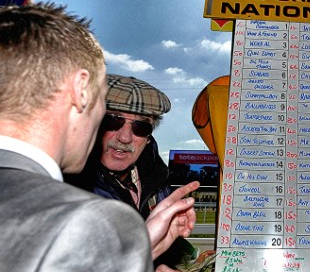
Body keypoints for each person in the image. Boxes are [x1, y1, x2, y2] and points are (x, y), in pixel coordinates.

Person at [0, 3, 198, 271]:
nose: (125, 137)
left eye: (141, 127)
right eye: (109, 117)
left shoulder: (153, 179)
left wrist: (140, 250)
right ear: (81, 90)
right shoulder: (88, 219)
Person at [66, 74, 213, 270]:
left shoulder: (157, 180)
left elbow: (167, 252)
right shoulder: (69, 189)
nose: (125, 137)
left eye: (140, 126)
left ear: (149, 135)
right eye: (113, 120)